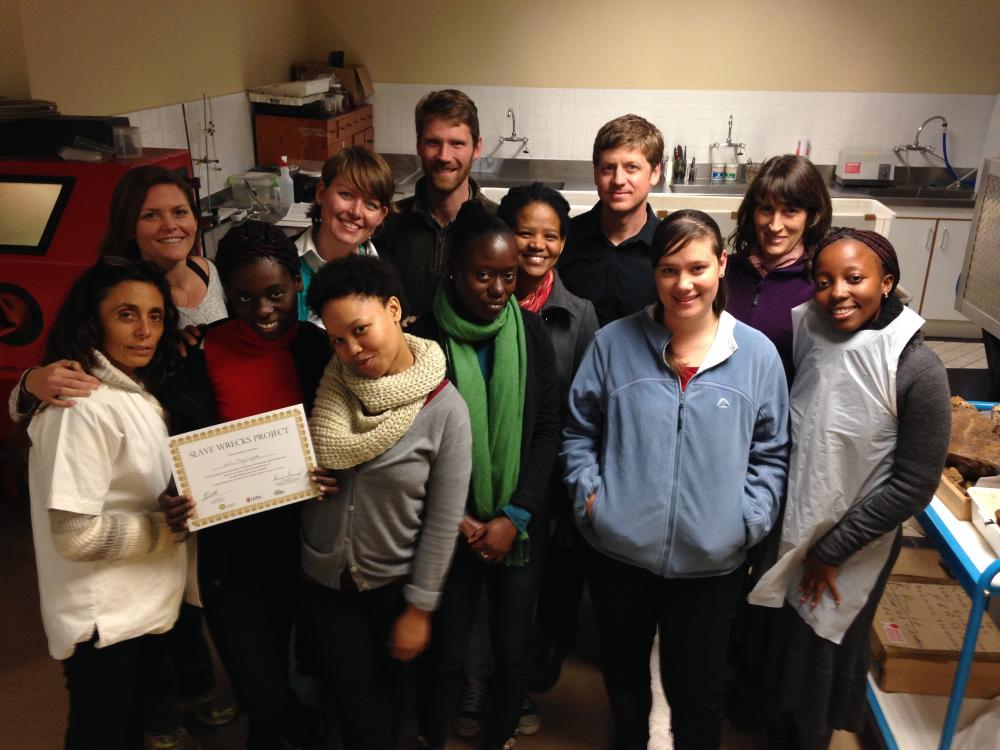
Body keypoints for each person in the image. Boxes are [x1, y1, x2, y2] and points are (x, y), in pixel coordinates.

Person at [562, 209, 790, 750]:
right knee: (623, 680)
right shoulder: (614, 344)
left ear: (721, 266)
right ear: (654, 273)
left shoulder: (756, 356)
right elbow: (578, 431)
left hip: (711, 564)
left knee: (698, 693)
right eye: (668, 270)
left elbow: (773, 452)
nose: (683, 284)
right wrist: (592, 499)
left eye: (697, 268)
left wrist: (747, 520)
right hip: (619, 554)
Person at [748, 228, 950, 750]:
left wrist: (833, 548)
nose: (837, 292)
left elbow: (913, 483)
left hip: (853, 542)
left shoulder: (917, 367)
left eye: (854, 278)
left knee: (821, 653)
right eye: (823, 280)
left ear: (887, 282)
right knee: (781, 640)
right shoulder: (811, 330)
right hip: (793, 517)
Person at [158, 221, 331, 750]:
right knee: (259, 684)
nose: (262, 310)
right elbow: (172, 446)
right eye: (245, 297)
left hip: (300, 541)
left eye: (275, 293)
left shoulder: (319, 350)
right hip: (229, 550)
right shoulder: (197, 352)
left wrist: (337, 468)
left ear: (297, 285)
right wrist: (174, 494)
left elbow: (349, 431)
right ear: (225, 296)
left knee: (288, 669)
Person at [297, 254, 472, 749]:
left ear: (394, 310)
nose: (350, 350)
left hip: (393, 588)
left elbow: (442, 522)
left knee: (399, 709)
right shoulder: (329, 385)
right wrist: (299, 478)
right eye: (336, 339)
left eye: (360, 330)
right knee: (357, 712)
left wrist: (419, 608)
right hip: (324, 583)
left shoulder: (444, 410)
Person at [411, 203, 561, 750]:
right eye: (483, 274)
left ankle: (497, 737)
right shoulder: (423, 340)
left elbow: (548, 430)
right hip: (450, 525)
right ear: (453, 269)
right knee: (447, 649)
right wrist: (458, 518)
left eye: (508, 275)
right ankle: (431, 733)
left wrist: (515, 514)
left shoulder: (530, 332)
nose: (498, 288)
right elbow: (412, 441)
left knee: (513, 647)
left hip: (515, 524)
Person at [25, 257, 187, 749]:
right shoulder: (81, 406)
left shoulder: (126, 391)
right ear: (92, 321)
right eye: (126, 315)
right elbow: (76, 534)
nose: (144, 331)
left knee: (129, 727)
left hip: (136, 608)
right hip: (103, 619)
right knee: (101, 734)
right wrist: (168, 527)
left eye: (155, 316)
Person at [378, 89, 497, 318]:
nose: (444, 156)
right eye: (433, 142)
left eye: (457, 144)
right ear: (418, 145)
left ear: (477, 148)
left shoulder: (498, 225)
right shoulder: (388, 224)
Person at [725, 154, 833, 384]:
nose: (775, 225)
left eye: (790, 211)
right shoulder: (724, 272)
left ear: (811, 216)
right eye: (766, 209)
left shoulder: (819, 285)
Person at [557, 114, 663, 325]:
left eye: (631, 167)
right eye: (608, 168)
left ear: (654, 172)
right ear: (596, 173)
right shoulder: (564, 239)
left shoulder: (669, 248)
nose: (618, 180)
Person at [296, 146, 394, 326]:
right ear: (321, 193)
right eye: (346, 194)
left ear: (381, 216)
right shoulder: (285, 264)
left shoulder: (392, 267)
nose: (356, 212)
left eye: (370, 205)